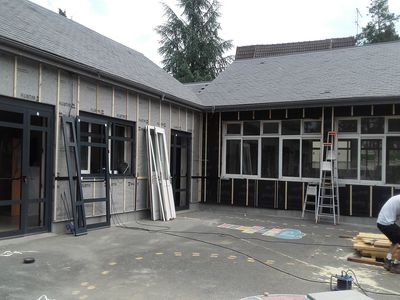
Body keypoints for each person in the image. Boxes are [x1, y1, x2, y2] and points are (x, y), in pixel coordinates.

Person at [377, 194, 400, 273]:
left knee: (395, 241)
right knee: (397, 239)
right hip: (387, 223)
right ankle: (396, 265)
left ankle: (388, 261)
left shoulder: (397, 198)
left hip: (381, 223)